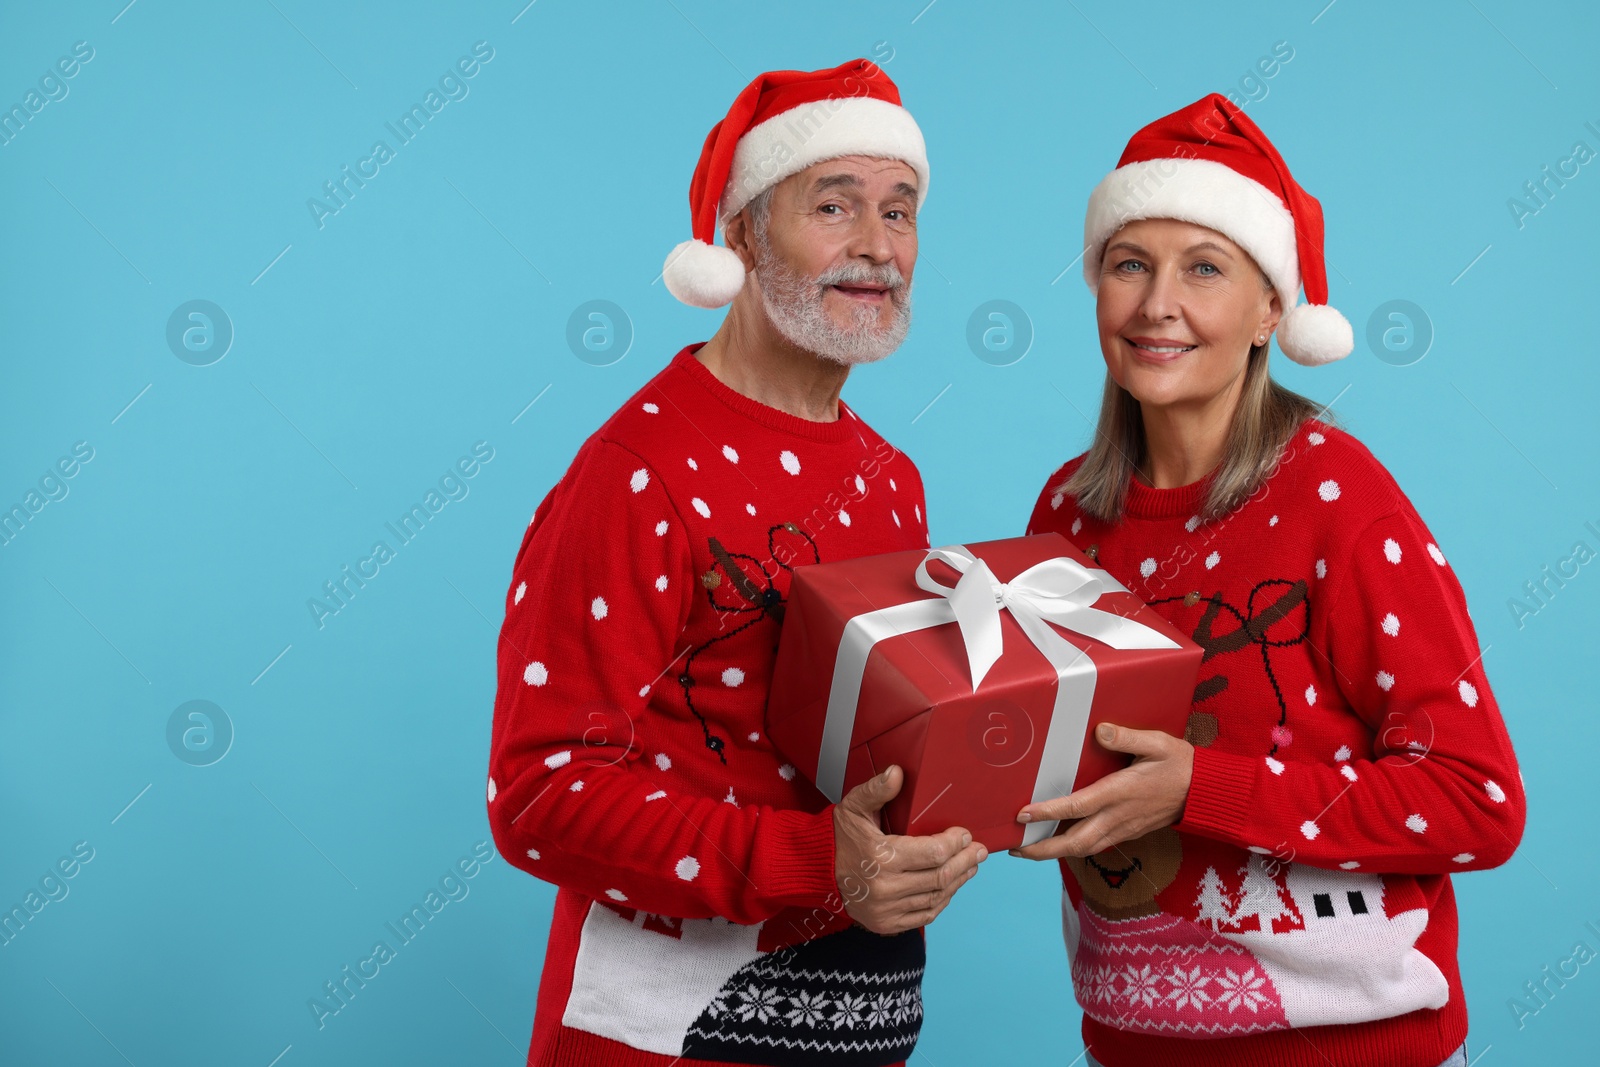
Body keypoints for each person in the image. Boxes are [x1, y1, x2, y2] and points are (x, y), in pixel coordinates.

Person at [487, 59, 985, 1067]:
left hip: (860, 1027)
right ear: (745, 232)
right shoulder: (635, 471)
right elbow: (540, 790)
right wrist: (817, 860)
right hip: (663, 1038)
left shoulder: (895, 477)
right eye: (833, 206)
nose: (875, 247)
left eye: (899, 212)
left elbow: (878, 752)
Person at [1017, 94, 1524, 1067]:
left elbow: (1476, 799)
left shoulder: (1339, 497)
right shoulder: (1064, 516)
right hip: (1129, 1043)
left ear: (1269, 309)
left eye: (1203, 268)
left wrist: (1199, 788)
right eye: (1129, 264)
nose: (1156, 303)